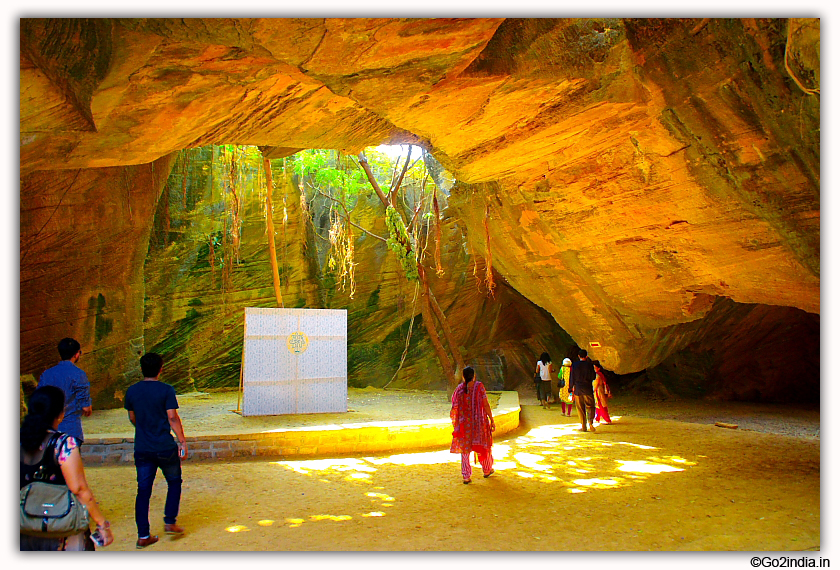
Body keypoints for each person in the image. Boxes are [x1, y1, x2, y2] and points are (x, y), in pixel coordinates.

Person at [20, 386, 114, 551]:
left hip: (24, 523)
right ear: (59, 412)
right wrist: (101, 523)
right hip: (60, 522)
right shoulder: (63, 444)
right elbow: (79, 488)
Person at [125, 352, 188, 548]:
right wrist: (182, 441)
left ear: (141, 369)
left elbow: (132, 417)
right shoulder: (166, 390)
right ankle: (170, 520)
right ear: (161, 368)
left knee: (143, 490)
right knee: (174, 482)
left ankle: (143, 534)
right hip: (164, 446)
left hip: (143, 447)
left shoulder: (132, 391)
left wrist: (144, 429)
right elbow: (172, 417)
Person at [37, 337, 92, 445]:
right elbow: (86, 407)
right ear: (77, 354)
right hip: (70, 430)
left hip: (49, 431)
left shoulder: (47, 374)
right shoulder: (79, 374)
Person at [450, 366, 495, 484]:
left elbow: (454, 406)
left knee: (465, 450)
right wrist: (491, 419)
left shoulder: (459, 389)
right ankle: (487, 469)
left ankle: (466, 476)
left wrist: (457, 422)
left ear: (463, 377)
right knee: (481, 446)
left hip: (464, 424)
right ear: (474, 376)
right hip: (478, 423)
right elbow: (485, 404)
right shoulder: (479, 386)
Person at [568, 349, 597, 432]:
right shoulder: (590, 365)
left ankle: (583, 426)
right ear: (586, 356)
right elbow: (593, 377)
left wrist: (570, 388)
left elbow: (572, 378)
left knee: (580, 408)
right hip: (587, 388)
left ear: (578, 356)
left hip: (578, 389)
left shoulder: (574, 365)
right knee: (590, 406)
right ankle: (590, 422)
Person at [592, 361, 612, 425]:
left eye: (595, 368)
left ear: (598, 368)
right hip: (600, 391)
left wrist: (593, 391)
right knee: (598, 405)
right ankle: (597, 418)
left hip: (598, 392)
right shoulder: (600, 374)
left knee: (601, 405)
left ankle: (607, 419)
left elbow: (596, 384)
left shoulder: (597, 375)